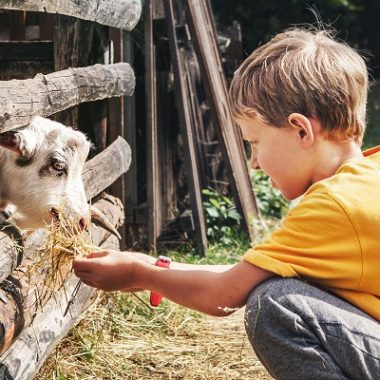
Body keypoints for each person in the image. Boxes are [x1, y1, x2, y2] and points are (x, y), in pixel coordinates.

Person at [73, 27, 380, 379]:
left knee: (277, 307)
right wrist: (150, 267)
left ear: (300, 131)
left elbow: (225, 295)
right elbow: (243, 275)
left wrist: (138, 273)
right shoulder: (367, 179)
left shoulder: (334, 205)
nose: (254, 162)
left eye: (255, 142)